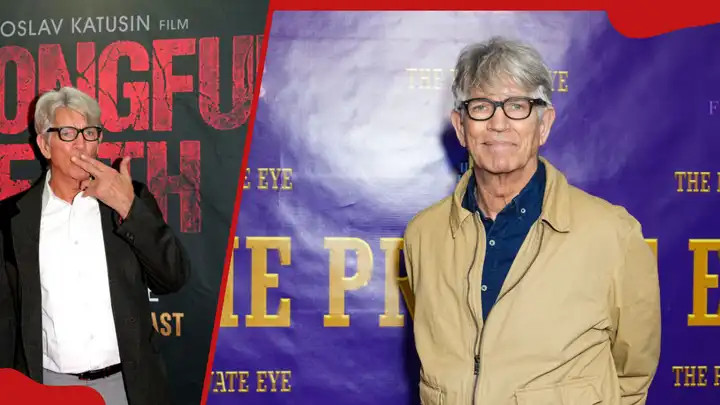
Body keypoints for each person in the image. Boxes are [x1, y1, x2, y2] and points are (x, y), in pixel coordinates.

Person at [402, 37, 661, 405]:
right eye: (481, 107)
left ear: (544, 124)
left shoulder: (612, 234)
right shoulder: (422, 236)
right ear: (460, 127)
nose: (498, 123)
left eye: (517, 106)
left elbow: (633, 372)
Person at [0, 86, 190, 405]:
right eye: (68, 132)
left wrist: (129, 209)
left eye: (90, 132)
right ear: (45, 144)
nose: (82, 144)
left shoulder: (130, 200)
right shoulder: (12, 218)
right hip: (46, 388)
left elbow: (172, 278)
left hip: (126, 386)